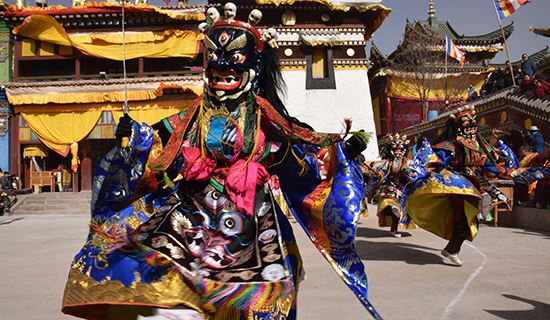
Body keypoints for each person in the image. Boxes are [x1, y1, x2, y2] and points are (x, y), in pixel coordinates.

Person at [62, 4, 380, 320]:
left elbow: (300, 158)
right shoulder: (194, 115)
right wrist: (135, 139)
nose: (222, 70)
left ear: (251, 70)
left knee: (261, 298)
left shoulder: (267, 118)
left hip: (252, 216)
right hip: (195, 209)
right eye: (215, 64)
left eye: (232, 65)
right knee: (155, 271)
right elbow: (163, 151)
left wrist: (340, 153)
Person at [403, 105, 507, 266]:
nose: (471, 126)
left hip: (473, 181)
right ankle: (453, 248)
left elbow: (490, 165)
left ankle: (452, 249)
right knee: (464, 218)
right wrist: (426, 157)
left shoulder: (479, 145)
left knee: (468, 221)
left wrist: (508, 172)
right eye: (466, 123)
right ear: (459, 126)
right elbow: (434, 161)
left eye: (473, 122)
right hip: (456, 182)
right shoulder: (450, 145)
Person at [367, 133, 417, 237]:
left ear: (404, 150)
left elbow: (414, 175)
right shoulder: (387, 162)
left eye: (400, 149)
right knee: (389, 205)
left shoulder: (408, 163)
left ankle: (394, 229)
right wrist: (378, 174)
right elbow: (383, 172)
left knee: (399, 210)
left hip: (403, 189)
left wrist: (408, 173)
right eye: (395, 149)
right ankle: (392, 220)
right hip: (388, 188)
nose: (397, 151)